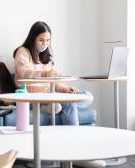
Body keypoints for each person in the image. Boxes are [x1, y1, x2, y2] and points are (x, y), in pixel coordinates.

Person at [13, 21, 106, 167]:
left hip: (50, 95)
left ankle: (60, 106)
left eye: (48, 40)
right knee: (68, 103)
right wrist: (44, 73)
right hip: (33, 99)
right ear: (33, 38)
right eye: (41, 40)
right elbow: (24, 72)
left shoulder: (46, 56)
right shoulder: (22, 52)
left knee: (86, 95)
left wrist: (65, 90)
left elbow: (54, 81)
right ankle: (76, 153)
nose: (44, 44)